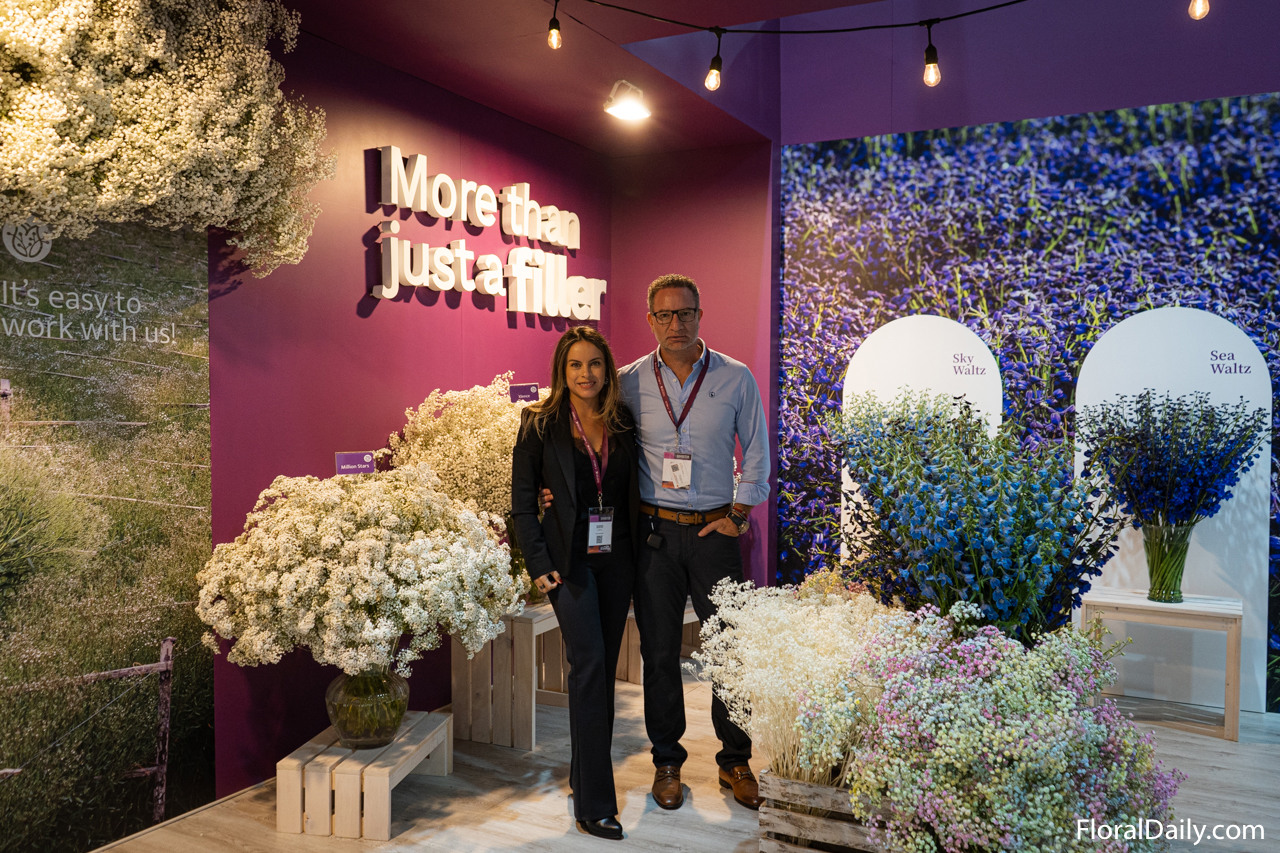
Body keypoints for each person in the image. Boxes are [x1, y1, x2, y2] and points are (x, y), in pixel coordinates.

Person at [617, 273, 771, 811]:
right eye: (664, 315)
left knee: (729, 649)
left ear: (700, 315)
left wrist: (738, 515)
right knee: (659, 653)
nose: (675, 324)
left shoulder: (735, 377)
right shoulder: (628, 382)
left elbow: (757, 450)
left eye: (685, 313)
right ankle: (667, 761)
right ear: (650, 320)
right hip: (655, 535)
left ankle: (735, 760)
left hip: (714, 533)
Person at [510, 326, 639, 841]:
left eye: (595, 364)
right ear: (561, 372)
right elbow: (523, 502)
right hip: (568, 566)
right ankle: (595, 804)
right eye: (575, 365)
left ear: (607, 369)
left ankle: (583, 778)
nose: (586, 374)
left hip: (618, 559)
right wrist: (537, 563)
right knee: (588, 666)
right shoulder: (538, 423)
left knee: (600, 674)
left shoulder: (623, 420)